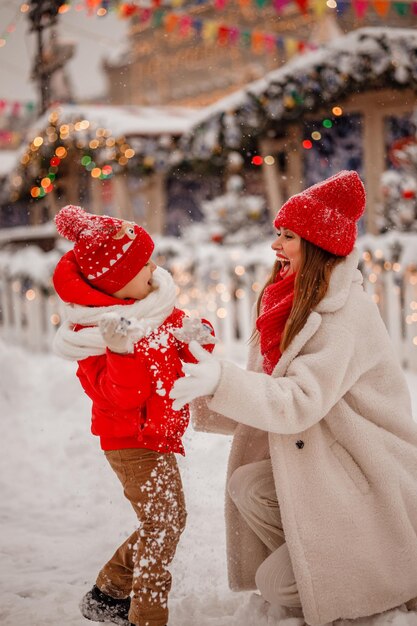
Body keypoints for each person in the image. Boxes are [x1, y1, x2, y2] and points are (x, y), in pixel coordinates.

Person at [169, 170, 417, 626]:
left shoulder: (344, 315)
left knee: (278, 585)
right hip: (328, 466)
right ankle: (325, 559)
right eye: (277, 234)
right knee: (247, 485)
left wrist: (220, 381)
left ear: (318, 244)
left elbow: (296, 402)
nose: (275, 246)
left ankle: (381, 575)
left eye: (287, 236)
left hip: (367, 474)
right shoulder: (289, 304)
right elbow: (263, 403)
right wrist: (195, 383)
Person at [52, 205, 215, 626]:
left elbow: (180, 348)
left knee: (168, 519)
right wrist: (120, 352)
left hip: (157, 435)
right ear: (118, 283)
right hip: (129, 440)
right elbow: (123, 398)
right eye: (143, 264)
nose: (154, 267)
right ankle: (146, 616)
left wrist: (198, 338)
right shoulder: (96, 337)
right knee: (163, 523)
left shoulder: (153, 308)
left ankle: (108, 592)